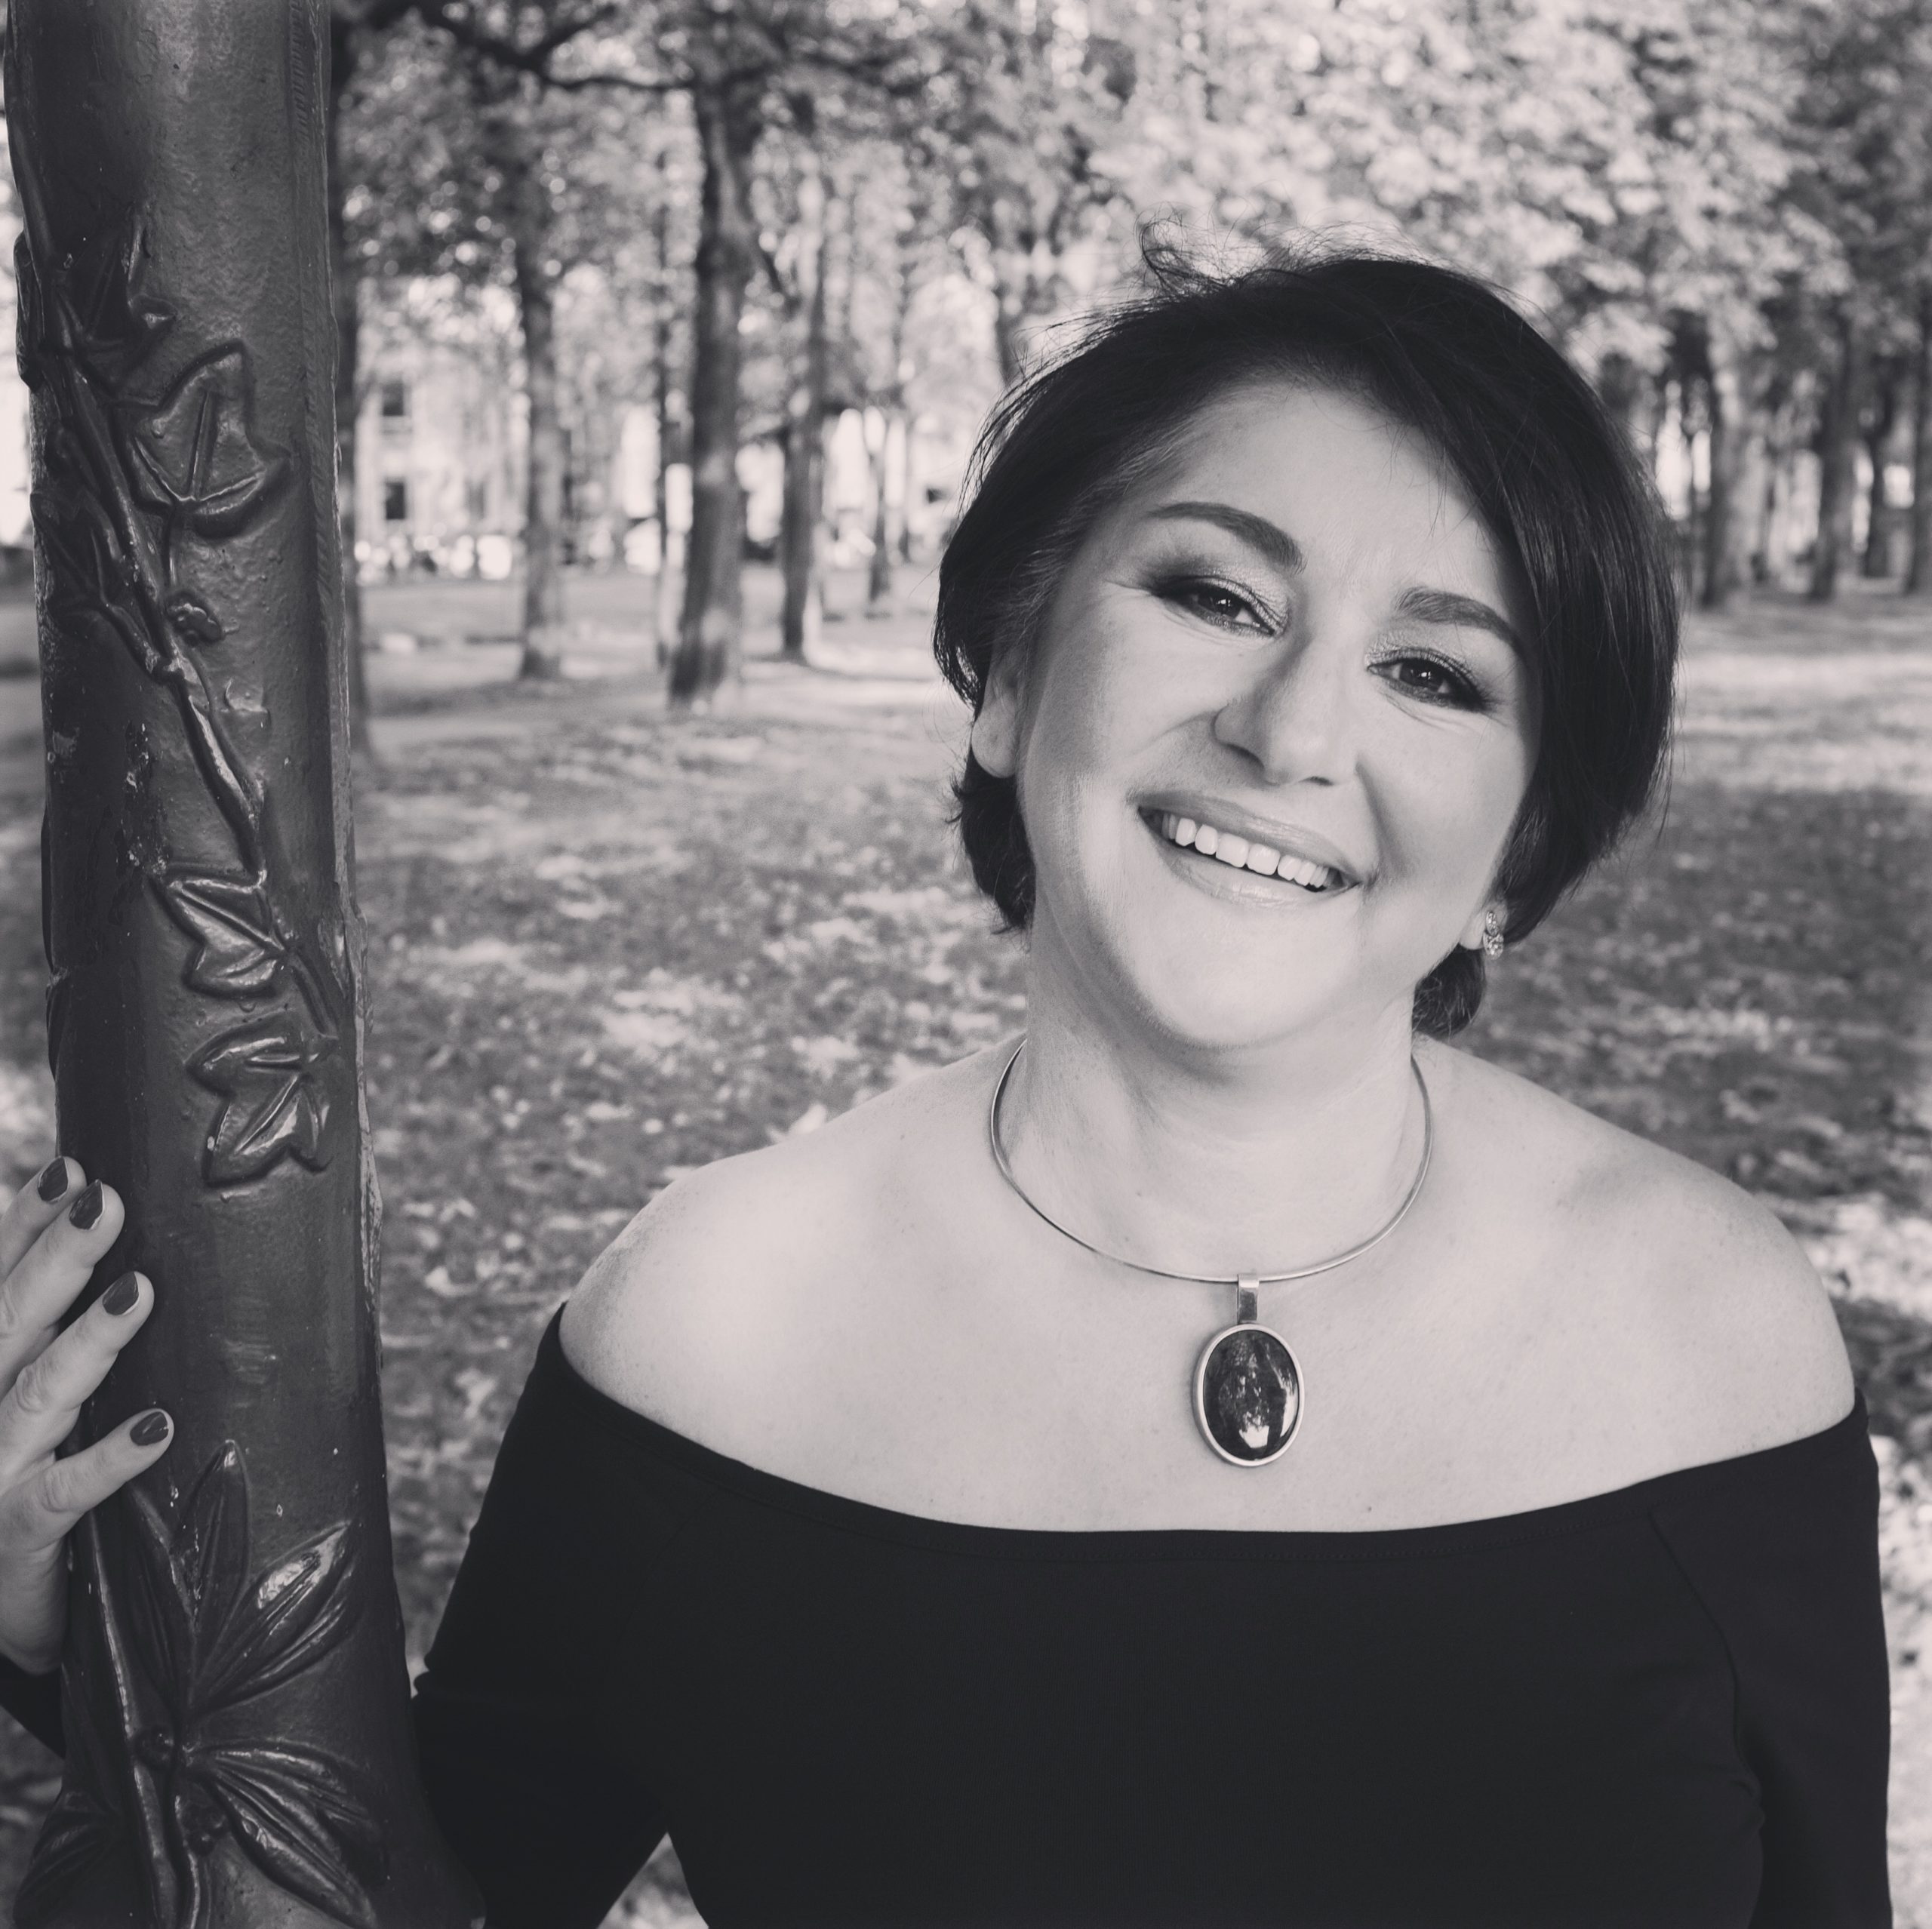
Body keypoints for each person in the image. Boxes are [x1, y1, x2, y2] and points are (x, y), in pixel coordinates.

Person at [0, 243, 1890, 1927]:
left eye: (1434, 674)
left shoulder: (1709, 1328)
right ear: (1005, 673)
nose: (1292, 730)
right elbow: (410, 1897)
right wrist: (81, 1644)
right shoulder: (713, 1324)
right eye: (1217, 594)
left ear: (1518, 849)